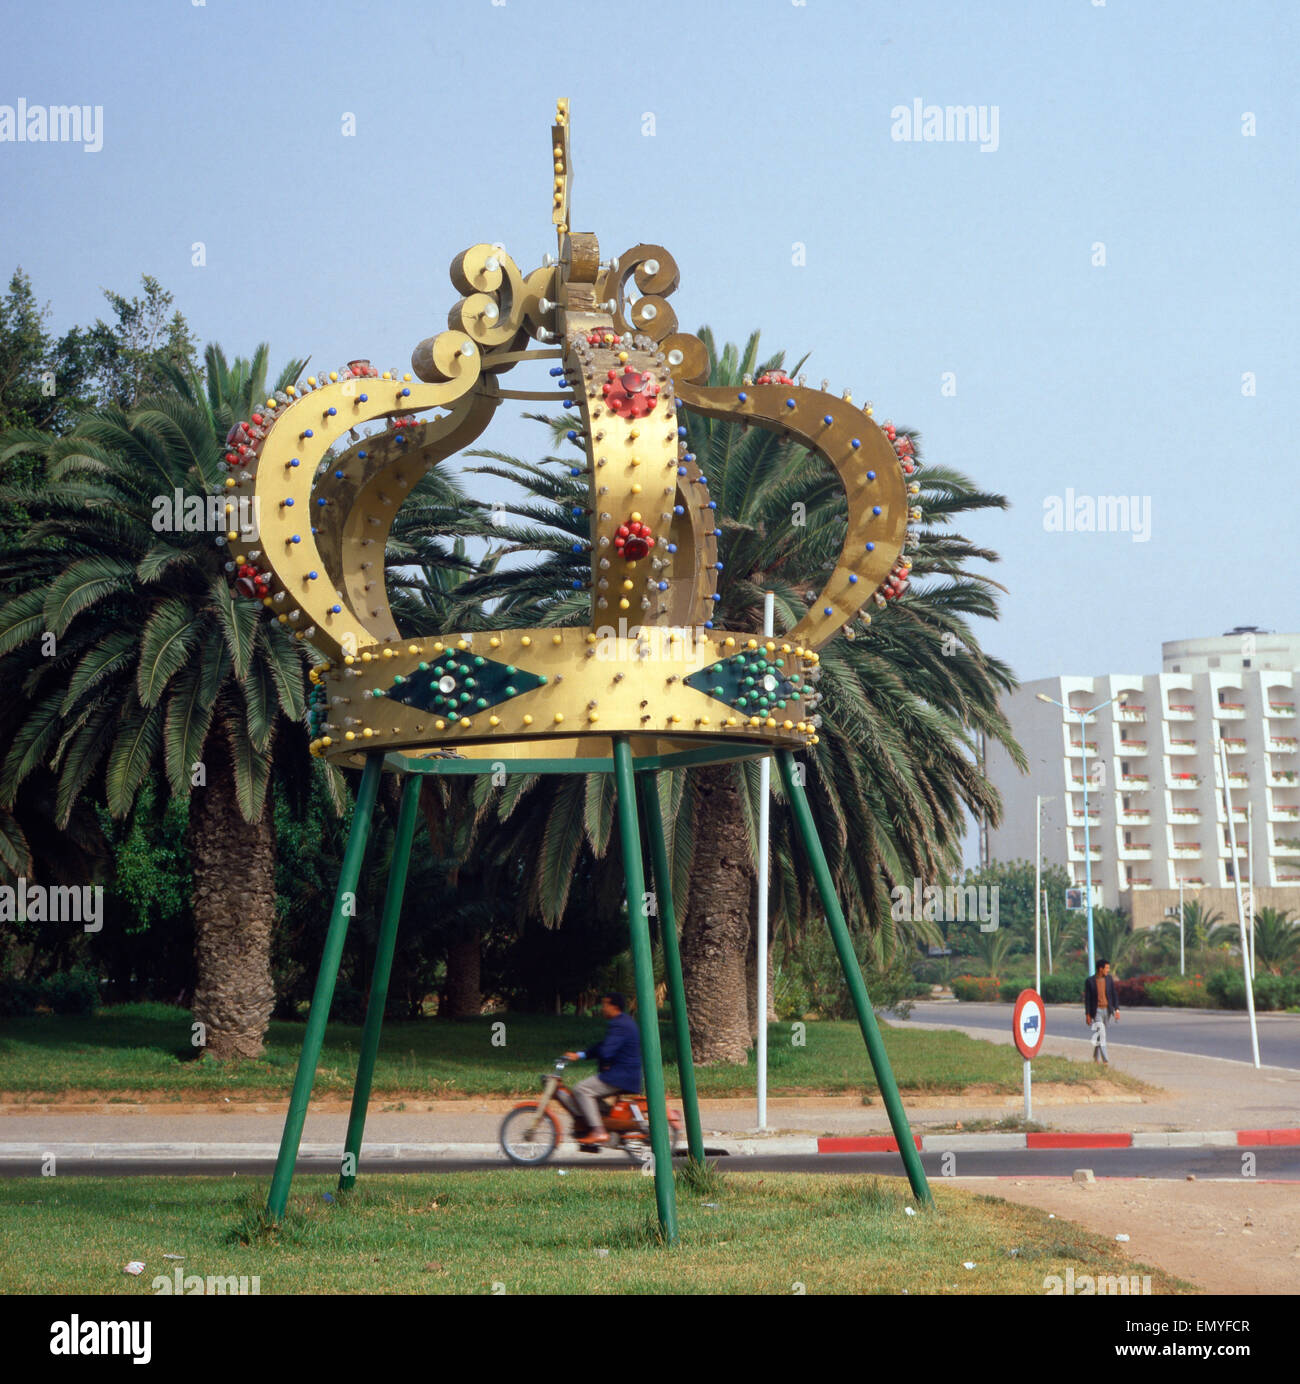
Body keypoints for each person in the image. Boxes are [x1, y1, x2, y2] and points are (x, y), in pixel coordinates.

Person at [564, 992, 642, 1145]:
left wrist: (603, 1061)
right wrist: (580, 1055)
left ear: (614, 1006)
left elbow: (606, 1050)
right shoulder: (623, 1022)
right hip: (623, 1074)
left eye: (605, 1004)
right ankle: (604, 1120)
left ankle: (598, 1131)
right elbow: (604, 1046)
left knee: (581, 1089)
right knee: (588, 1091)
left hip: (621, 1076)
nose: (602, 1008)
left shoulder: (619, 1024)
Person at [1084, 958, 1120, 1064]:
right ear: (1100, 969)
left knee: (1100, 1035)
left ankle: (1096, 1057)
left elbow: (1114, 994)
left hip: (1107, 1011)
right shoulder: (1090, 981)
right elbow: (1087, 999)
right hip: (1097, 1011)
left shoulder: (1109, 979)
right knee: (1102, 1034)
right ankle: (1105, 1060)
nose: (1108, 970)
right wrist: (1087, 1014)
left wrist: (1116, 1010)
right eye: (1107, 968)